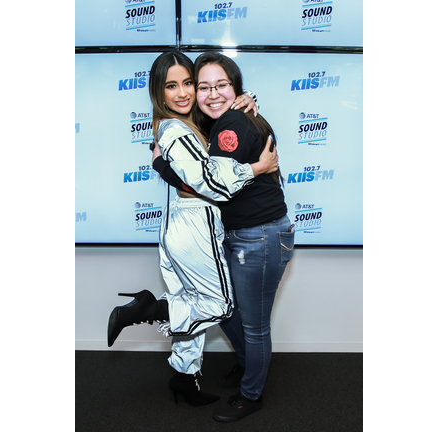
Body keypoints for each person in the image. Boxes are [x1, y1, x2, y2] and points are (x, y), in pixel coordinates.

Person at [106, 50, 279, 407]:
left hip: (186, 228)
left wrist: (244, 100)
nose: (185, 92)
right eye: (174, 85)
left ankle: (185, 377)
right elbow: (209, 183)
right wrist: (256, 169)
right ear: (159, 91)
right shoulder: (178, 129)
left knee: (193, 301)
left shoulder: (194, 122)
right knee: (217, 305)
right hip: (195, 229)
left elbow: (196, 166)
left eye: (189, 83)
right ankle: (148, 309)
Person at [153, 51, 294, 423]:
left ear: (236, 89)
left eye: (222, 86)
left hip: (259, 236)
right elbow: (197, 167)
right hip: (237, 234)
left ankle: (252, 394)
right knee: (228, 310)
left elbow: (210, 181)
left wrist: (161, 163)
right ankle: (250, 367)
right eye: (203, 86)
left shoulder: (233, 123)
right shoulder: (212, 122)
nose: (211, 94)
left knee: (251, 323)